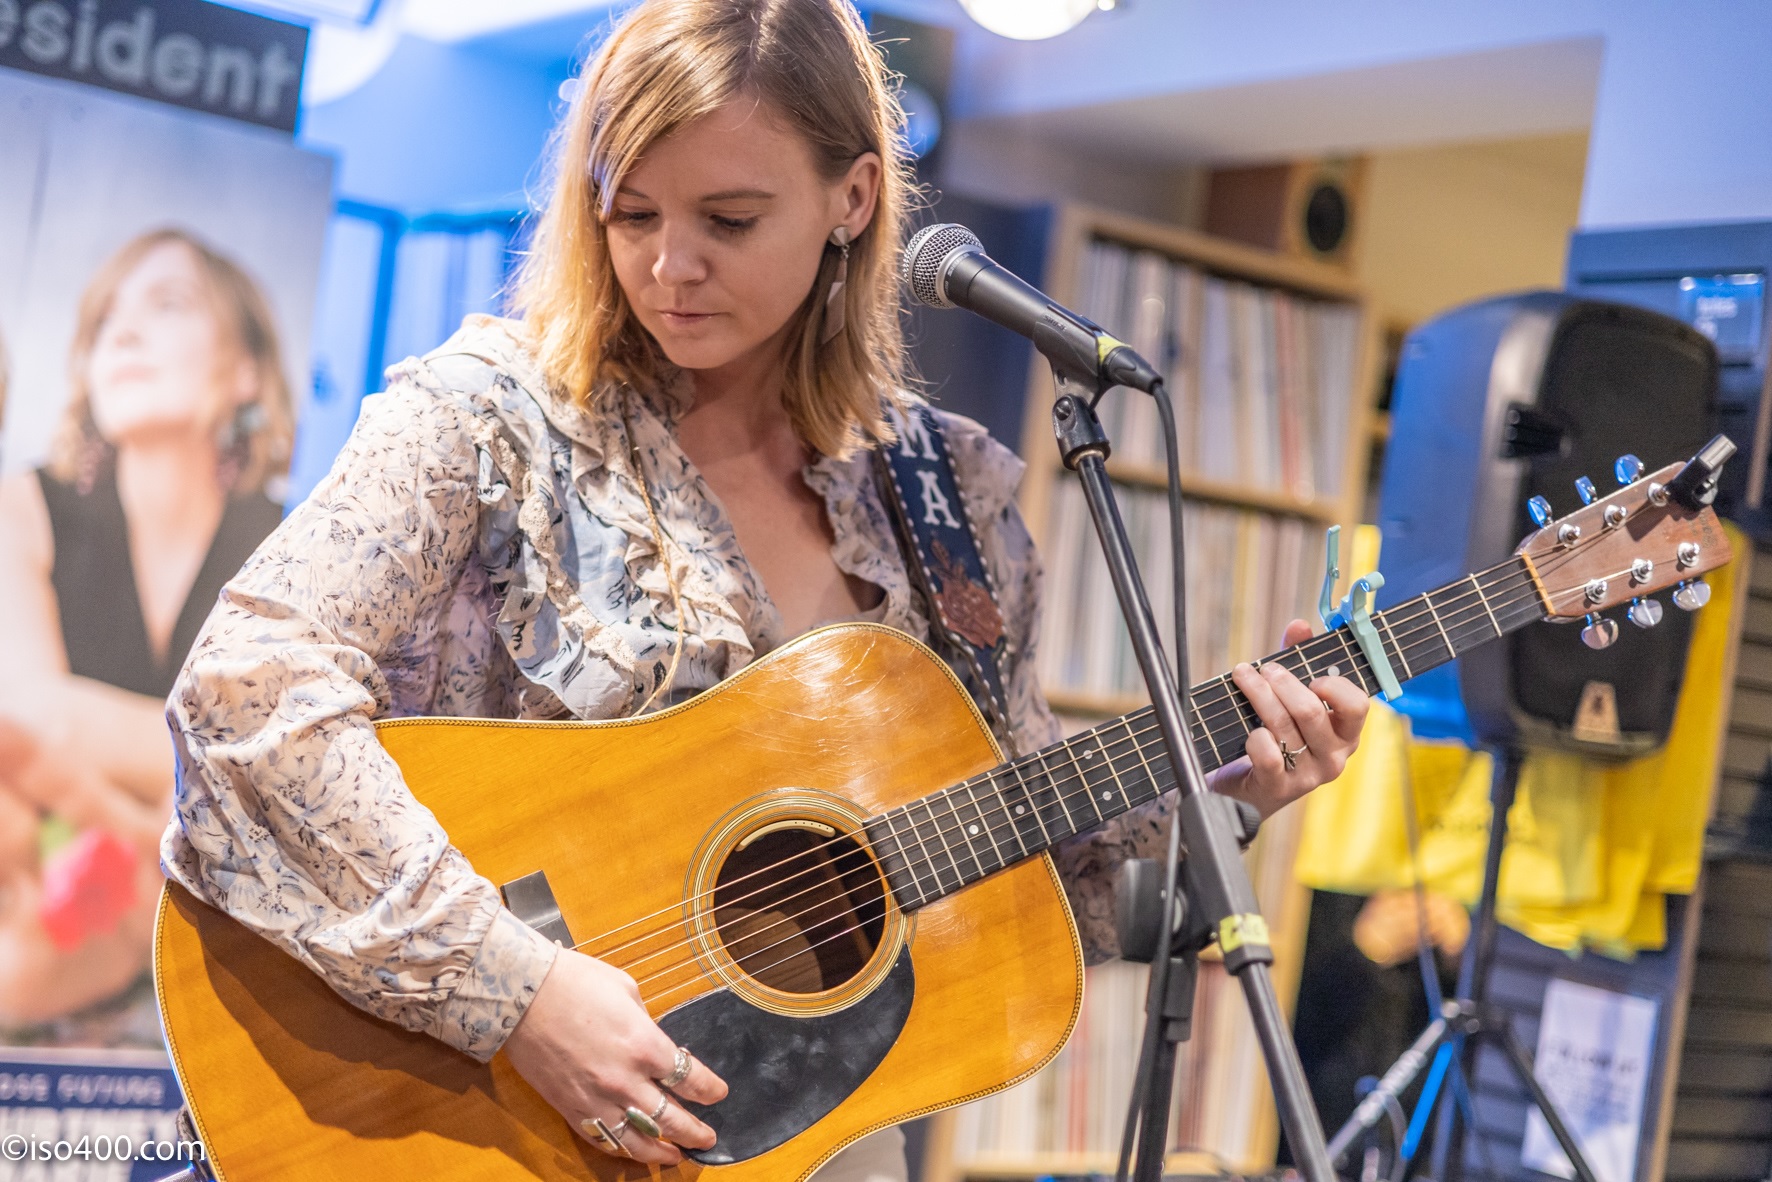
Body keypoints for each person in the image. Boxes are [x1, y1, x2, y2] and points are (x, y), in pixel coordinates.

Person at [161, 0, 1369, 1177]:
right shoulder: (487, 420)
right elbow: (241, 689)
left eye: (729, 220)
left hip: (812, 1143)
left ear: (852, 199)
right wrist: (518, 990)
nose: (667, 266)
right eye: (629, 213)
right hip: (476, 1116)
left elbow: (1018, 867)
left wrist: (1229, 789)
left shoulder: (947, 496)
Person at [0, 229, 292, 1045]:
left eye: (167, 306)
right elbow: (28, 725)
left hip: (199, 915)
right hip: (84, 892)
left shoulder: (295, 544)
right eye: (104, 323)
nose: (122, 334)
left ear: (245, 371)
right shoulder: (22, 506)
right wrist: (236, 774)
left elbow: (316, 765)